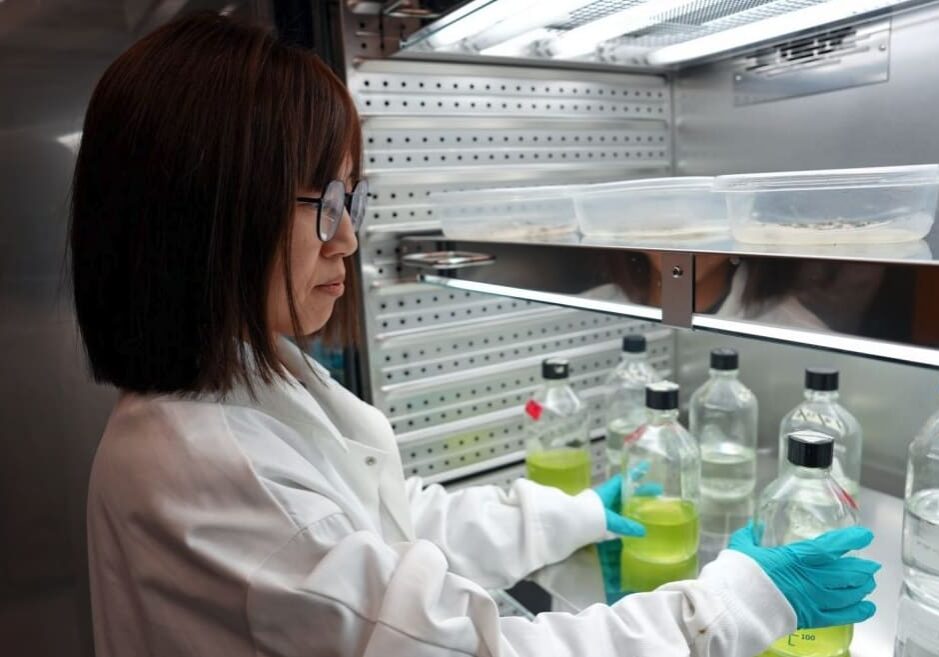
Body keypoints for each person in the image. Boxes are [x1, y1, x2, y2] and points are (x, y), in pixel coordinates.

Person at [72, 12, 880, 657]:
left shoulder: (245, 379)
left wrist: (576, 514)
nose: (348, 242)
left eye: (352, 202)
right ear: (210, 212)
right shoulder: (213, 473)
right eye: (324, 202)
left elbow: (389, 526)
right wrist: (732, 605)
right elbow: (469, 647)